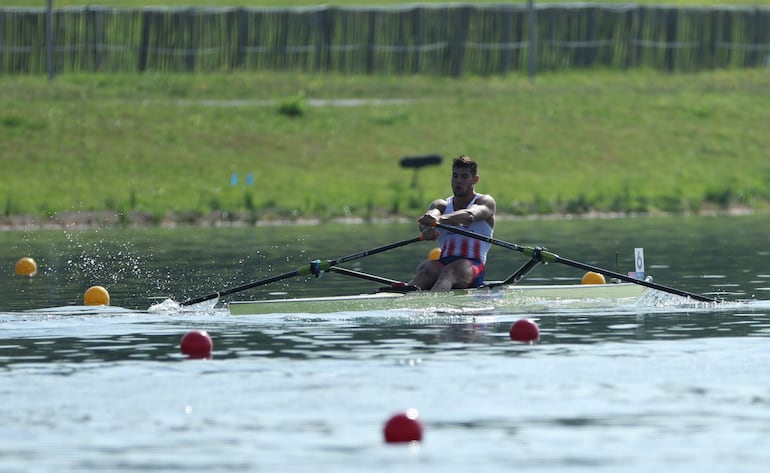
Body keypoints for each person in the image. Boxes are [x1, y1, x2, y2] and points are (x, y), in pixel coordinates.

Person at [407, 155, 496, 291]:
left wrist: (440, 221)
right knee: (427, 268)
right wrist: (427, 226)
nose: (458, 181)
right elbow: (432, 214)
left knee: (451, 271)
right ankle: (405, 301)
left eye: (464, 177)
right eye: (455, 176)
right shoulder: (441, 205)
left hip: (472, 267)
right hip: (443, 264)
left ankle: (432, 307)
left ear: (475, 179)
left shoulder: (485, 202)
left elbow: (469, 215)